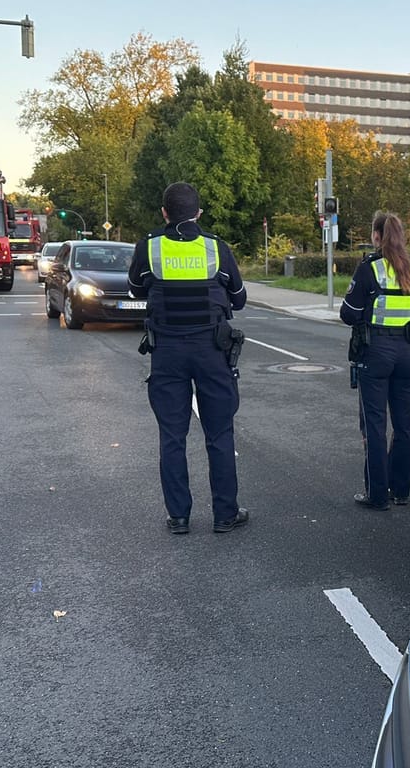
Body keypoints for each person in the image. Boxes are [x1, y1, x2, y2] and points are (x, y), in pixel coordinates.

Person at [128, 182, 249, 535]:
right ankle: (225, 514)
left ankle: (179, 516)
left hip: (167, 353)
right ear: (198, 213)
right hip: (212, 352)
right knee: (220, 433)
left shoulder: (149, 248)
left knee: (172, 435)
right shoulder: (216, 249)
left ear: (164, 213)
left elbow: (136, 288)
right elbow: (238, 299)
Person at [340, 211, 410, 511]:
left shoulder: (370, 268)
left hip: (375, 353)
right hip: (407, 353)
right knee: (404, 425)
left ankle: (377, 495)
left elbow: (348, 314)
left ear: (377, 236)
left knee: (375, 425)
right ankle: (401, 490)